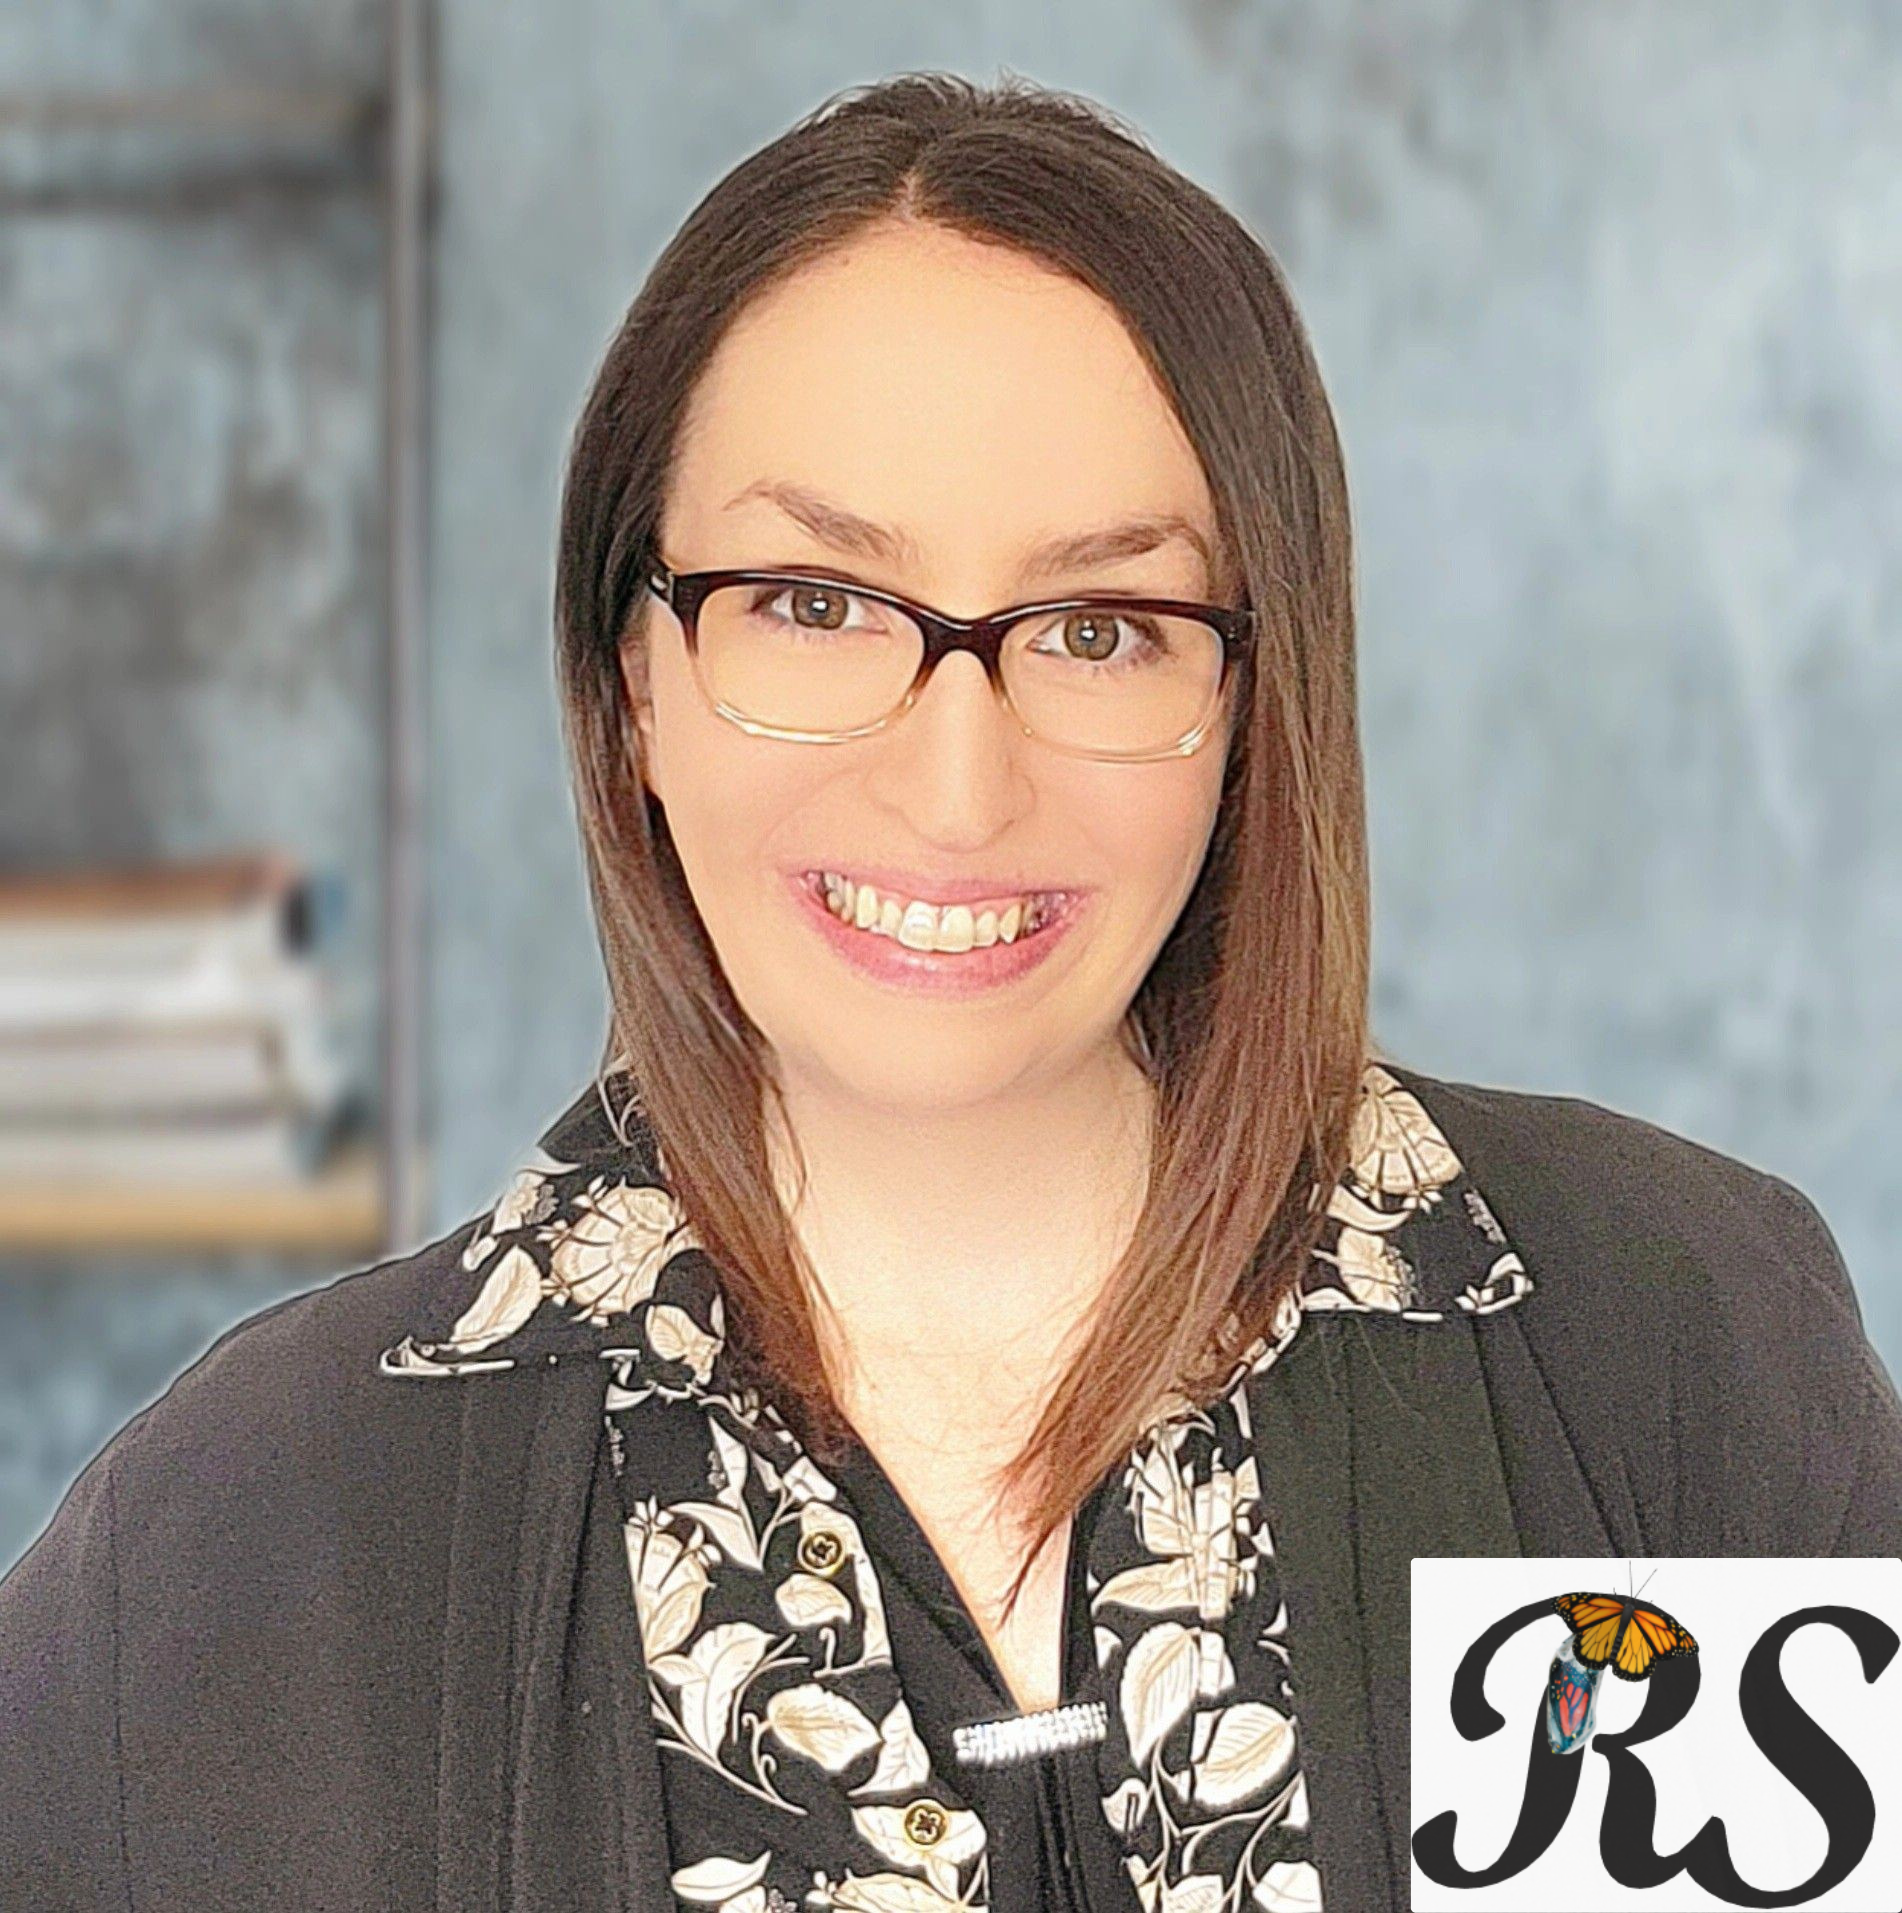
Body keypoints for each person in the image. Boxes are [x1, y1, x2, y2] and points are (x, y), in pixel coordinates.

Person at [4, 71, 1899, 1913]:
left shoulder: (1658, 1353)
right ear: (631, 683)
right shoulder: (241, 1554)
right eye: (815, 605)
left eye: (1098, 629)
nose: (956, 785)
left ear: (1251, 707)